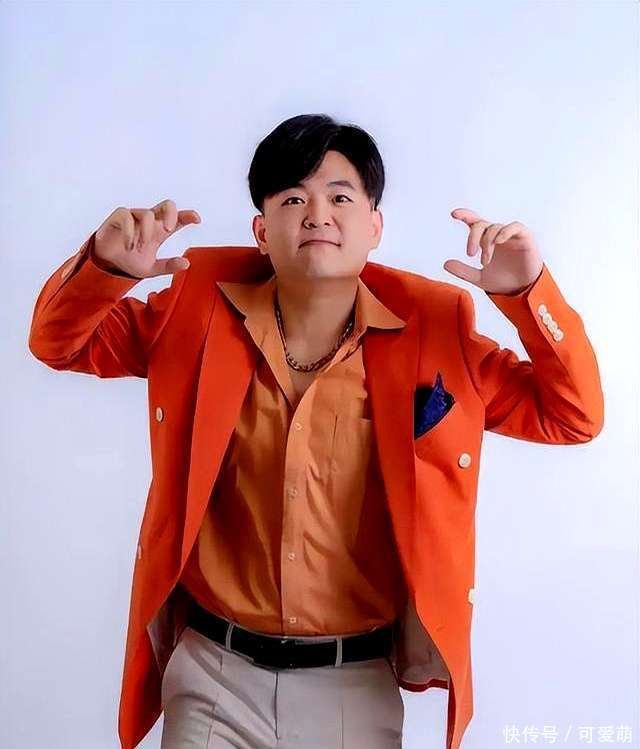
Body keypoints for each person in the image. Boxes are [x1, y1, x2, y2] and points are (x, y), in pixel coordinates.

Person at [28, 113, 604, 749]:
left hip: (354, 684)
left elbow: (572, 416)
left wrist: (527, 293)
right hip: (214, 676)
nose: (317, 215)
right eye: (293, 199)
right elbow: (60, 344)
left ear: (375, 226)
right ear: (261, 230)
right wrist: (105, 269)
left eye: (340, 197)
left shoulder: (437, 330)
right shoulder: (194, 309)